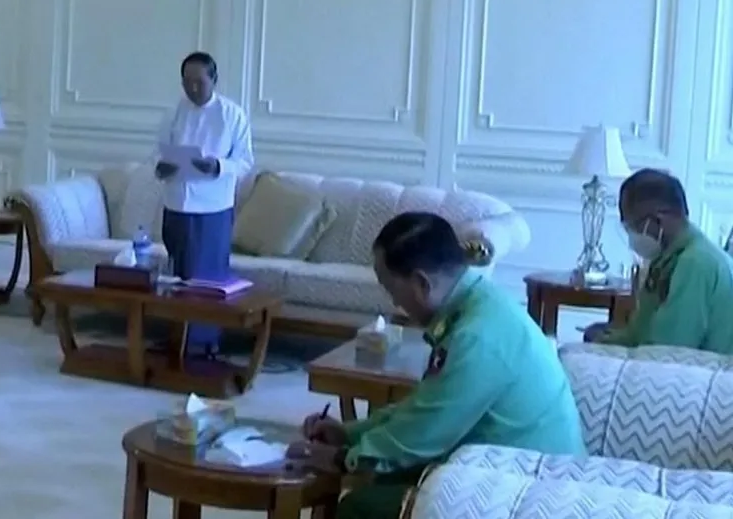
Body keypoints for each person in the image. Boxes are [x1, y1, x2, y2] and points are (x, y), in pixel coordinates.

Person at [291, 212, 586, 519]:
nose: (395, 303)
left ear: (422, 283)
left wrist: (344, 458)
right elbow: (426, 406)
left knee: (359, 507)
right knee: (382, 476)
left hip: (535, 490)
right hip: (508, 467)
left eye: (391, 290)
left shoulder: (476, 336)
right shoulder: (479, 304)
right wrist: (350, 435)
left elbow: (426, 431)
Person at [154, 52, 254, 358]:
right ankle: (177, 338)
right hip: (176, 205)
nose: (192, 88)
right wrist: (162, 167)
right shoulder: (173, 113)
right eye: (187, 82)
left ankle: (205, 342)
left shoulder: (232, 114)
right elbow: (158, 156)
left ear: (214, 80)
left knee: (207, 280)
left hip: (212, 209)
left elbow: (245, 163)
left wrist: (218, 166)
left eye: (199, 82)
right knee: (177, 277)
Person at [583, 168, 733, 353]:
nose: (633, 236)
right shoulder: (665, 260)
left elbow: (669, 350)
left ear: (657, 220)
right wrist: (606, 340)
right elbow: (639, 333)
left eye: (634, 227)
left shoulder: (695, 263)